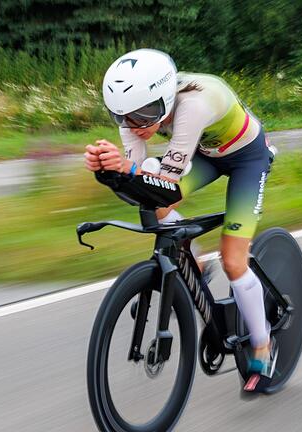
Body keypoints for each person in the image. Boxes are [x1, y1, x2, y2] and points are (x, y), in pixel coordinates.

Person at [84, 48, 276, 392]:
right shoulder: (135, 117)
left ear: (166, 98)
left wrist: (126, 167)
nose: (134, 126)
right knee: (154, 203)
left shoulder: (194, 106)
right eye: (122, 117)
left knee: (233, 261)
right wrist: (109, 169)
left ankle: (263, 343)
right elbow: (144, 185)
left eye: (144, 115)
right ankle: (194, 261)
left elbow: (167, 186)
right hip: (207, 155)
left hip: (247, 157)